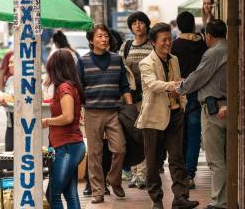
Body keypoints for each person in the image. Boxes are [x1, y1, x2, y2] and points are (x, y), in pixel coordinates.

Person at [136, 22, 199, 209]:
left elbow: (181, 85)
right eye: (164, 40)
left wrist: (183, 104)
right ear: (154, 42)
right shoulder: (146, 62)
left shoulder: (174, 60)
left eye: (169, 39)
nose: (168, 43)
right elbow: (153, 85)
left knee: (177, 157)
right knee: (154, 161)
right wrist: (174, 85)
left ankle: (181, 198)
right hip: (154, 118)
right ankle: (156, 200)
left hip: (175, 114)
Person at [77, 24, 132, 204]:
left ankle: (114, 180)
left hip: (113, 112)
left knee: (120, 148)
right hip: (92, 112)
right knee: (95, 153)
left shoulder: (117, 60)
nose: (104, 39)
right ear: (91, 40)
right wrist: (80, 111)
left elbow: (124, 85)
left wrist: (130, 108)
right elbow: (79, 89)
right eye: (100, 36)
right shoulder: (83, 61)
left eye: (106, 36)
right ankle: (97, 191)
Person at [177, 19, 228, 209]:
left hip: (214, 109)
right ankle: (224, 198)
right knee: (224, 157)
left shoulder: (214, 52)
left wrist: (180, 87)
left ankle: (219, 202)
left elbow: (198, 76)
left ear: (209, 36)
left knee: (216, 160)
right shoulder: (231, 47)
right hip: (226, 106)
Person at [42, 49, 86, 208]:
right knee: (70, 193)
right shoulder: (68, 86)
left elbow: (67, 117)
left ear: (56, 68)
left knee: (53, 194)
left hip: (68, 147)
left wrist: (47, 121)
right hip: (69, 145)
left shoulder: (65, 87)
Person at [171, 11, 207, 189]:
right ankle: (190, 174)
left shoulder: (175, 46)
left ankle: (182, 173)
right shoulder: (202, 44)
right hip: (199, 92)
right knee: (194, 135)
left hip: (180, 93)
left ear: (178, 25)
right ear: (193, 24)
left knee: (180, 135)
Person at [119, 11, 153, 189]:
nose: (138, 25)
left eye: (141, 22)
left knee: (144, 135)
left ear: (147, 25)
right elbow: (121, 71)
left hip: (149, 97)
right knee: (131, 135)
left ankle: (143, 174)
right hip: (131, 98)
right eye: (134, 23)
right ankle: (134, 174)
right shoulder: (126, 46)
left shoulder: (152, 45)